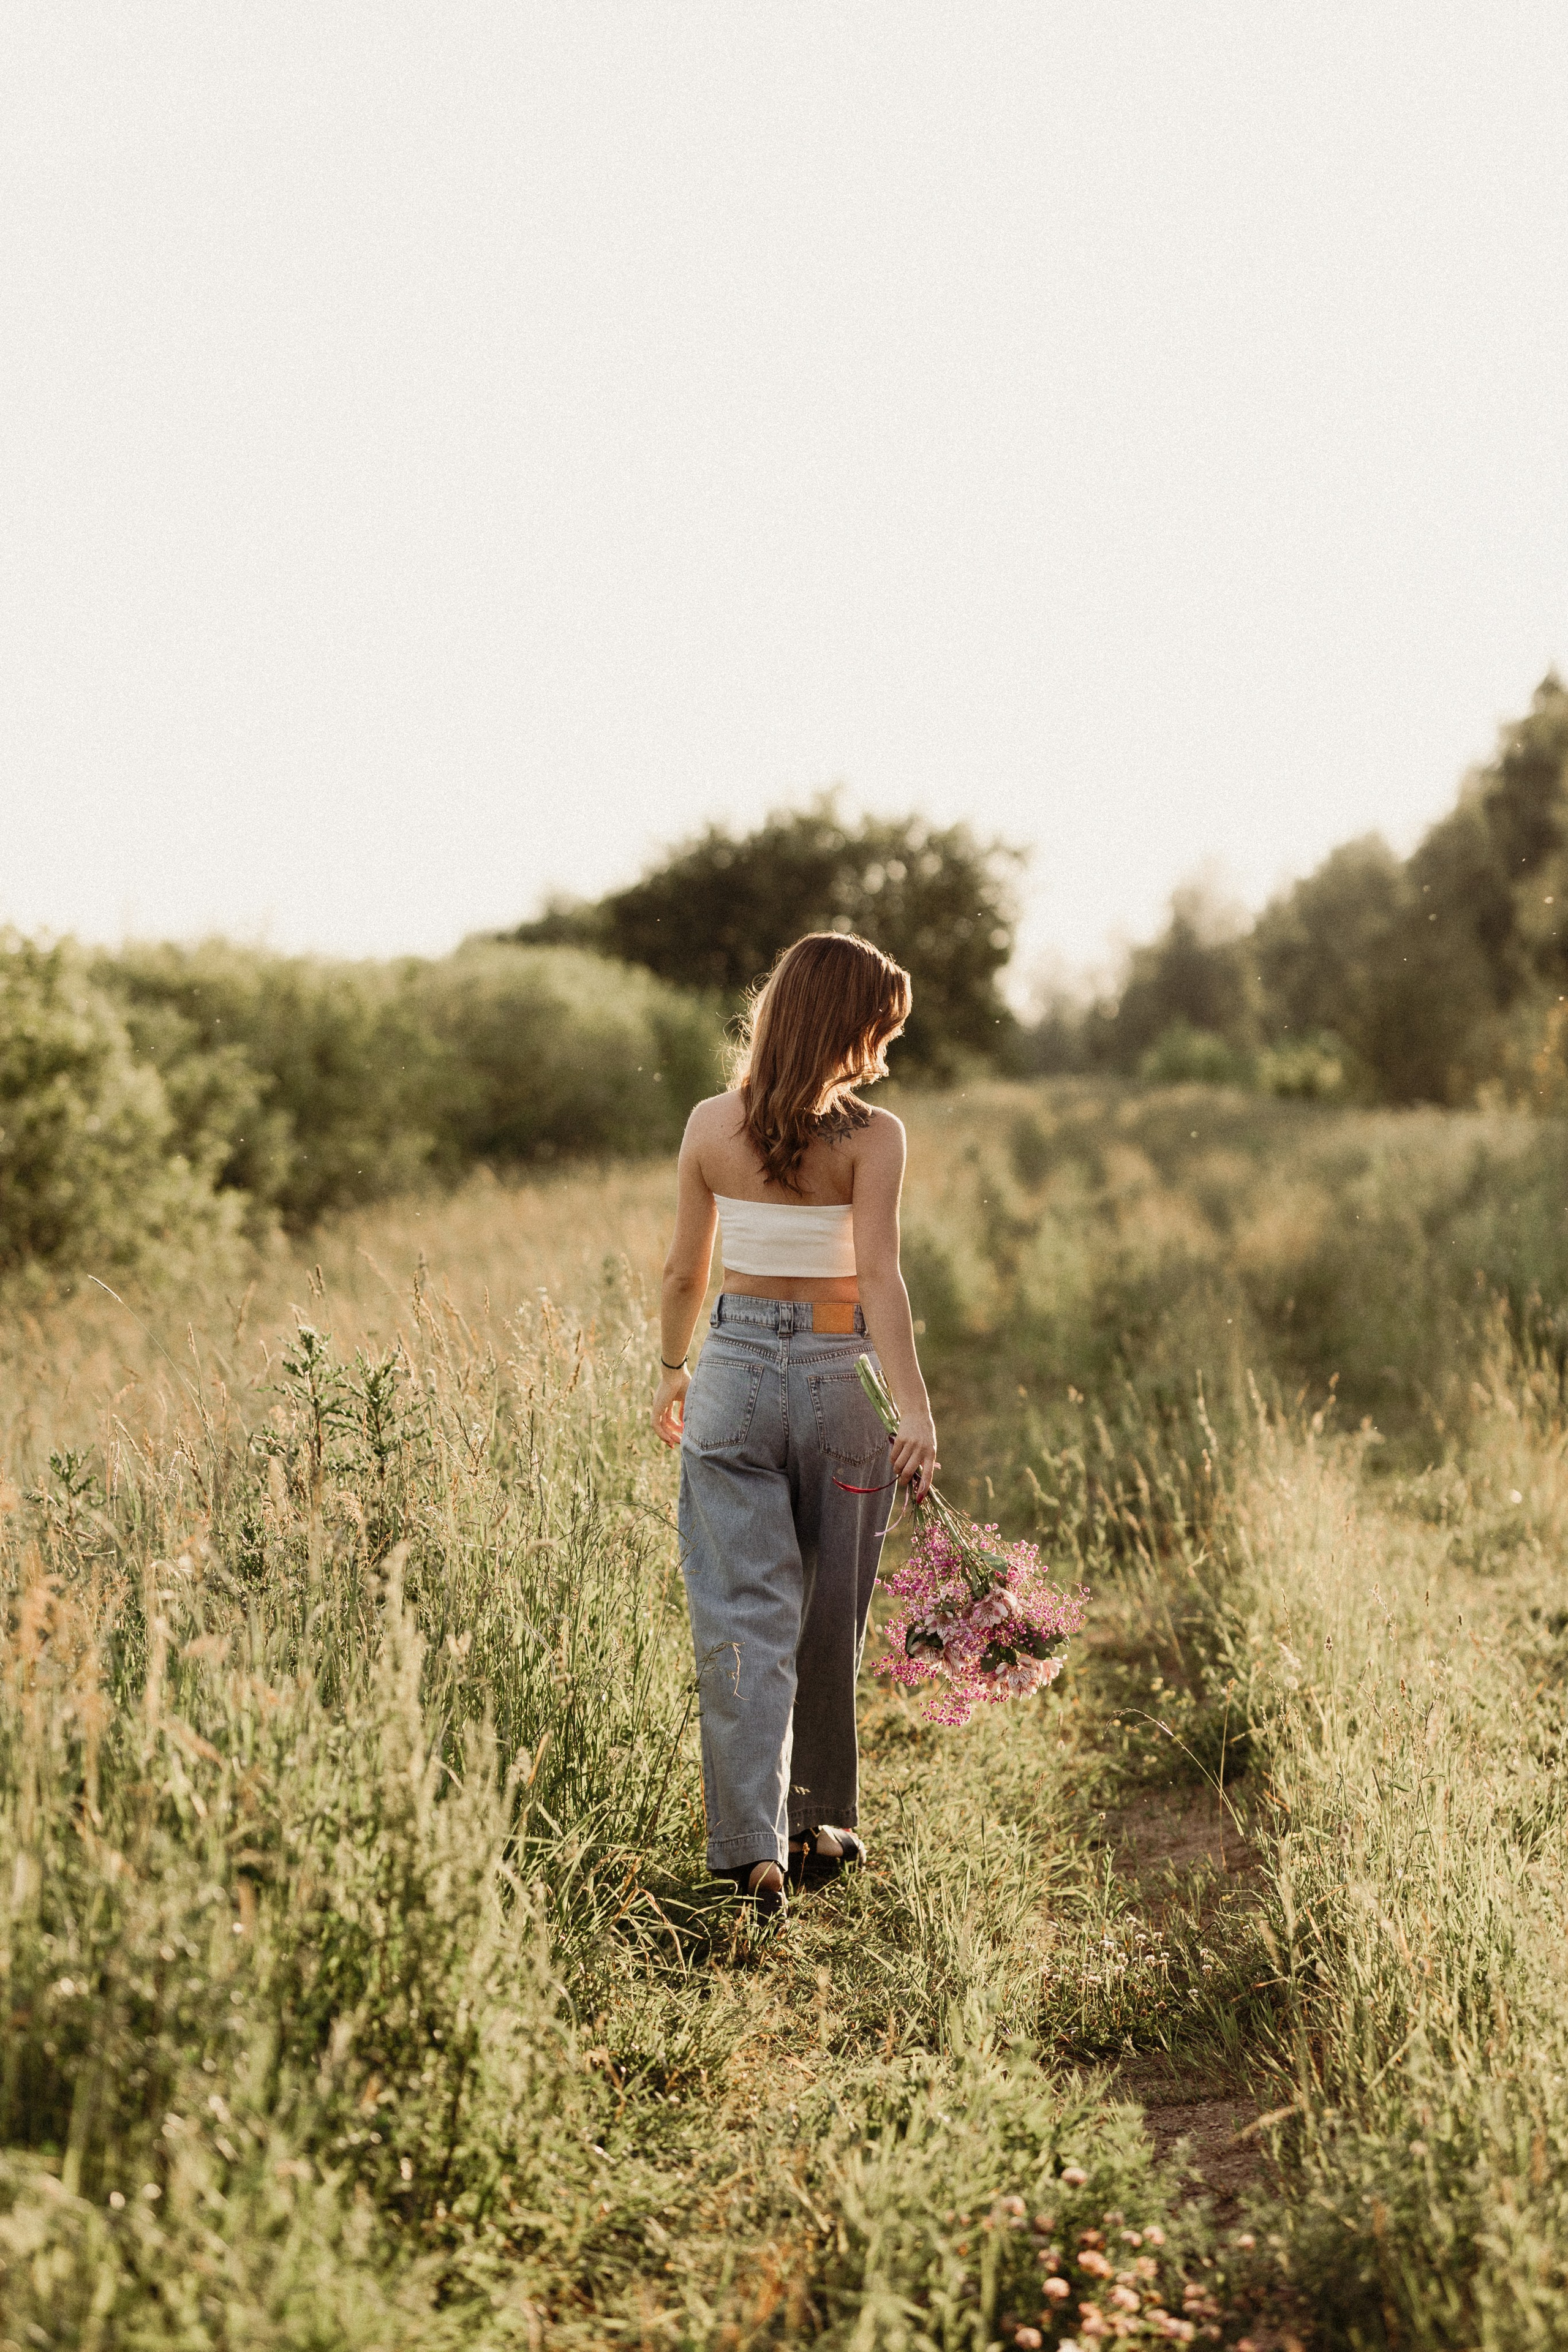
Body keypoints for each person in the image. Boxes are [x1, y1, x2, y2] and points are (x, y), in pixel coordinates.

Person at [651, 932, 939, 1919]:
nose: (884, 1050)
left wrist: (671, 1370)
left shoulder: (706, 1126)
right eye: (879, 1027)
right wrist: (914, 1409)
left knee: (742, 1613)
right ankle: (814, 1824)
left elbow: (685, 1272)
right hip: (838, 1378)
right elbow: (879, 1279)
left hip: (729, 1370)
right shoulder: (876, 1137)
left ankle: (752, 1854)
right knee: (828, 1613)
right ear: (844, 1024)